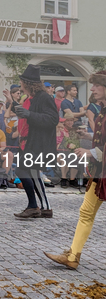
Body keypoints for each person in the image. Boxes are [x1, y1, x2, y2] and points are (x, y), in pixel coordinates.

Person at [44, 70, 106, 269]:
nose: (93, 89)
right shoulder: (102, 110)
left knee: (86, 212)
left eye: (97, 85)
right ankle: (73, 256)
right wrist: (88, 137)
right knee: (86, 212)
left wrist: (92, 153)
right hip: (100, 172)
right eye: (93, 85)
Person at [13, 65, 59, 219]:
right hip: (27, 142)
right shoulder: (30, 98)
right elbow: (27, 115)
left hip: (37, 143)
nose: (20, 85)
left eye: (22, 82)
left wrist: (29, 114)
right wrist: (13, 104)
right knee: (32, 173)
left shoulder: (44, 97)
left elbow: (52, 119)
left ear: (28, 83)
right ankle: (45, 208)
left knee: (23, 171)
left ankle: (35, 206)